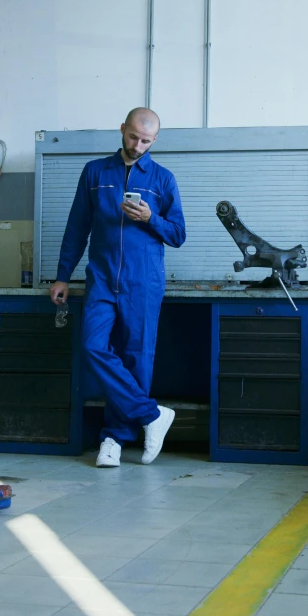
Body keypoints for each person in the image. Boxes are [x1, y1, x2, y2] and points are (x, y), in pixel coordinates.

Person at [50, 108, 186, 467]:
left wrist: (150, 218)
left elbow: (178, 234)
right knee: (93, 346)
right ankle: (152, 414)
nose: (137, 145)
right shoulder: (95, 172)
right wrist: (63, 275)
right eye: (132, 137)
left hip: (144, 281)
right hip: (103, 278)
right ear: (122, 129)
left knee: (137, 359)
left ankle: (114, 439)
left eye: (145, 140)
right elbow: (77, 227)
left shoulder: (162, 179)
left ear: (154, 140)